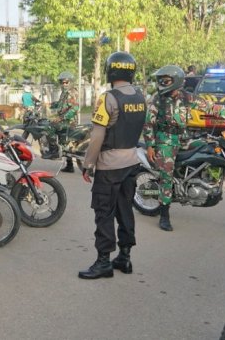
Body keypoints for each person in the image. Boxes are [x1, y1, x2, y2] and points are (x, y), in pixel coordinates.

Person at [144, 65, 225, 231]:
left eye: (165, 80)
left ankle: (200, 181)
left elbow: (210, 108)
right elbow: (148, 124)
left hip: (183, 137)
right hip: (164, 141)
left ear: (176, 81)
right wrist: (150, 146)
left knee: (210, 147)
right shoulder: (157, 99)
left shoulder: (186, 97)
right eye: (161, 80)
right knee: (166, 175)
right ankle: (164, 215)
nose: (162, 82)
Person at [78, 52, 146, 280]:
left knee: (104, 212)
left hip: (109, 165)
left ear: (111, 71)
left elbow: (97, 136)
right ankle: (125, 257)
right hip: (132, 160)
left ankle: (104, 262)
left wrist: (88, 164)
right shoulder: (140, 96)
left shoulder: (108, 98)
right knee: (125, 209)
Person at [42, 72, 79, 172]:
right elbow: (59, 104)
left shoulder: (72, 93)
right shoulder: (64, 93)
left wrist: (62, 118)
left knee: (49, 127)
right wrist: (50, 104)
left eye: (66, 82)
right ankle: (70, 166)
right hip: (64, 120)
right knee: (64, 143)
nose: (64, 84)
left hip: (69, 122)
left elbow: (75, 108)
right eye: (62, 82)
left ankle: (53, 151)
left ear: (70, 82)